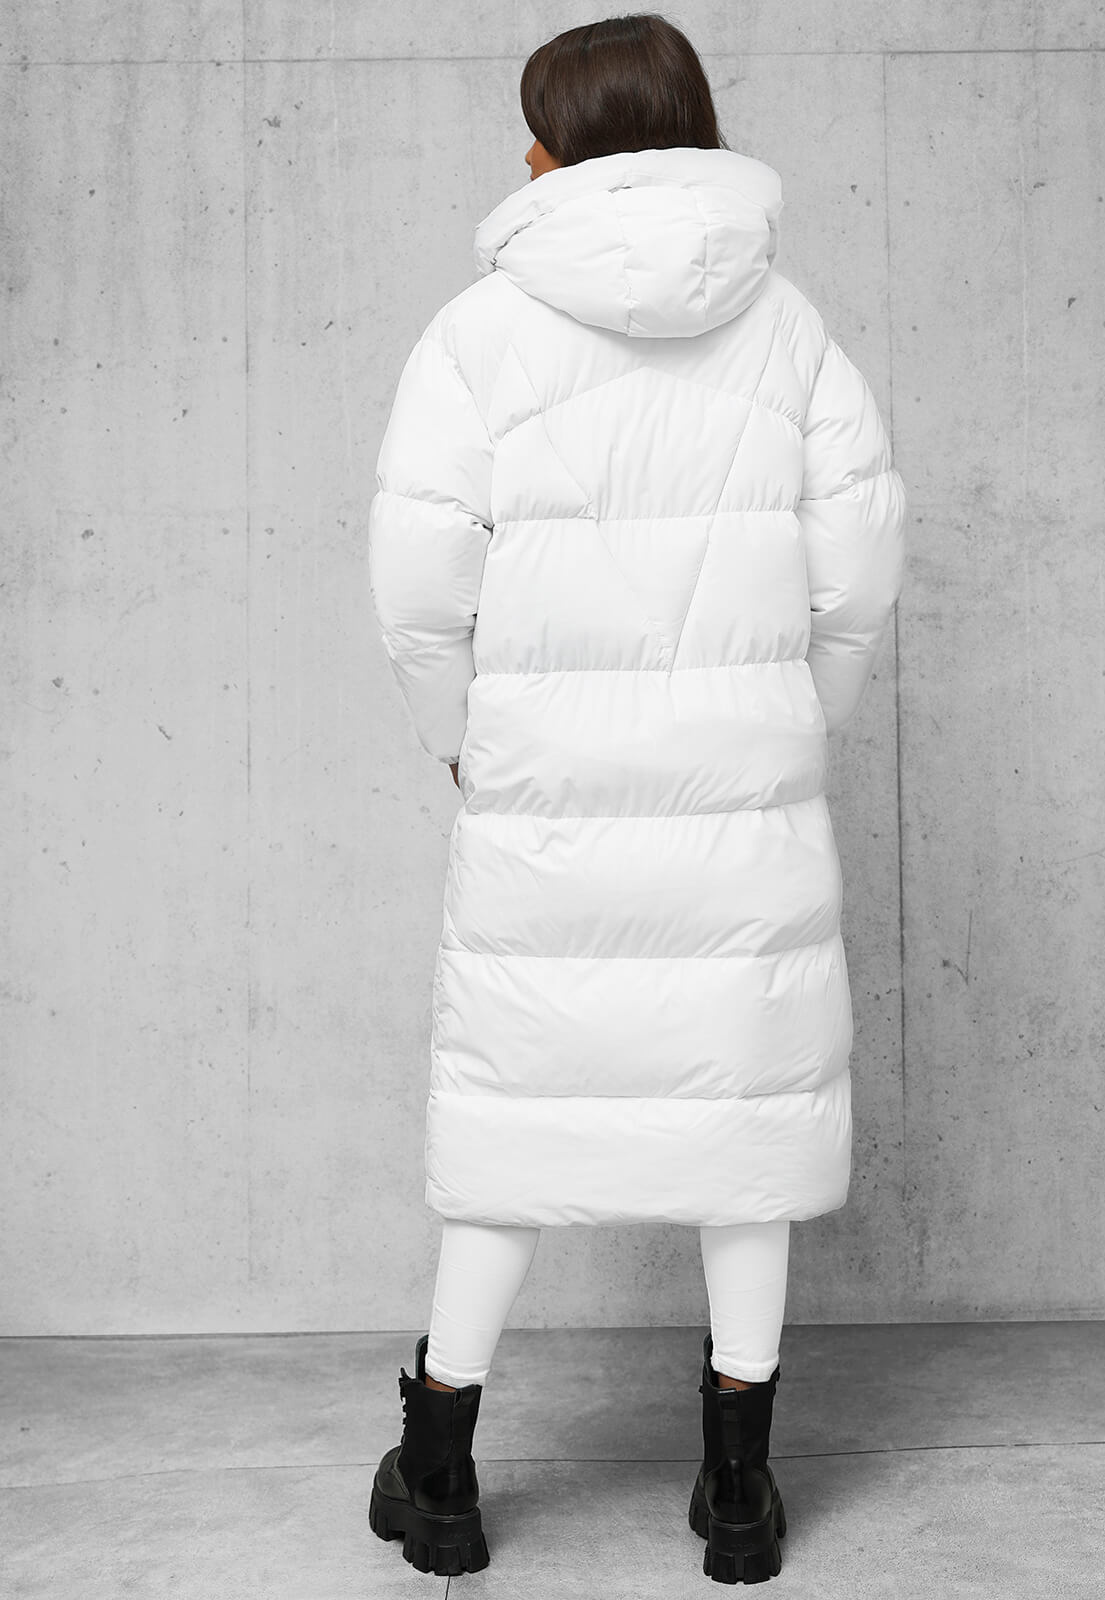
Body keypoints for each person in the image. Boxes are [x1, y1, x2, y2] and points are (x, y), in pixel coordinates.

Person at [364, 11, 906, 1586]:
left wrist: (464, 741)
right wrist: (795, 722)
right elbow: (860, 570)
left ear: (546, 154)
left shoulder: (478, 335)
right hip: (744, 792)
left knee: (510, 1123)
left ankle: (440, 1474)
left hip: (546, 797)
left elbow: (418, 587)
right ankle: (738, 1494)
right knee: (745, 1129)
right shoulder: (788, 326)